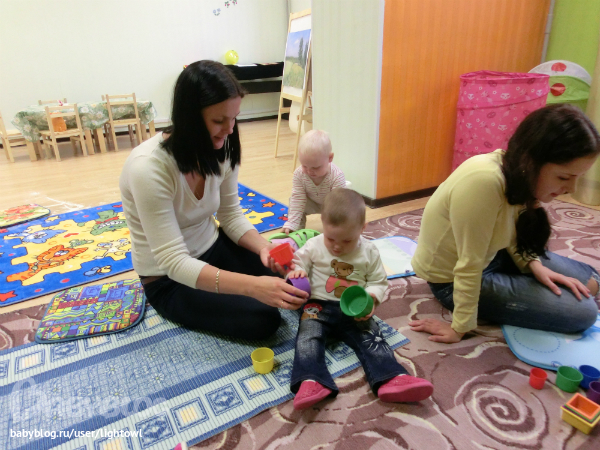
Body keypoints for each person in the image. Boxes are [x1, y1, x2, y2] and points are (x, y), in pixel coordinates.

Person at [119, 60, 308, 341]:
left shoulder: (221, 147)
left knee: (294, 278)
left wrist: (265, 248)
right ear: (190, 118)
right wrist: (252, 286)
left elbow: (230, 216)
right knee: (262, 318)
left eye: (234, 118)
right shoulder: (147, 168)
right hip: (168, 279)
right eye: (219, 121)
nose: (230, 130)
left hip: (213, 247)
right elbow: (174, 262)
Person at [410, 103, 600, 344]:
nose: (571, 189)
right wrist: (459, 328)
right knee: (584, 313)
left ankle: (521, 283)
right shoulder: (484, 182)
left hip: (496, 253)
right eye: (564, 177)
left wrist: (534, 266)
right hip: (452, 279)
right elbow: (469, 265)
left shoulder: (519, 171)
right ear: (531, 161)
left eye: (578, 178)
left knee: (591, 282)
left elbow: (512, 231)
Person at [286, 188, 434, 410]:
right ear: (323, 225)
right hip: (317, 305)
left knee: (371, 335)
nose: (337, 246)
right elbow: (298, 262)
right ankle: (311, 379)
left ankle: (390, 376)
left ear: (362, 228)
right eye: (330, 238)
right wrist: (297, 271)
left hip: (354, 308)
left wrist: (371, 298)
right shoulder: (314, 245)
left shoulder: (369, 251)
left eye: (347, 240)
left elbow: (378, 281)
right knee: (308, 336)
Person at [282, 130, 346, 233]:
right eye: (304, 165)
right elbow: (297, 198)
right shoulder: (299, 174)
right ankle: (296, 230)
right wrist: (292, 223)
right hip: (310, 202)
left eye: (315, 167)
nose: (309, 171)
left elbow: (337, 205)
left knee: (345, 210)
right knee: (294, 201)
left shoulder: (337, 176)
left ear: (330, 158)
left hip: (332, 204)